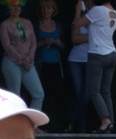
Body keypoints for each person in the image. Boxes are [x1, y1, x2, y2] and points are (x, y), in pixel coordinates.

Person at [0, 0, 45, 113]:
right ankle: (16, 125)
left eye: (18, 6)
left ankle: (33, 125)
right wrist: (21, 59)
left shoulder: (27, 22)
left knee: (38, 93)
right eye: (13, 7)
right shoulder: (5, 24)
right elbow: (7, 46)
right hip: (12, 62)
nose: (16, 9)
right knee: (15, 96)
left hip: (28, 62)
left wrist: (29, 58)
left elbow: (33, 42)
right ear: (8, 8)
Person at [78, 0, 116, 133]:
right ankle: (111, 123)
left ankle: (105, 120)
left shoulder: (97, 10)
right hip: (111, 53)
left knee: (94, 90)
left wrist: (78, 11)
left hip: (97, 54)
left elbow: (78, 24)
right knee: (106, 91)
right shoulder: (114, 12)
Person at [35, 0, 65, 131]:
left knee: (59, 94)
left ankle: (62, 125)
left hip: (56, 64)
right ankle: (43, 125)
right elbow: (31, 46)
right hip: (41, 65)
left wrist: (57, 43)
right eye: (43, 8)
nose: (46, 11)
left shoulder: (58, 26)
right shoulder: (36, 26)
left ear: (53, 10)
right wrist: (43, 43)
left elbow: (64, 47)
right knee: (43, 94)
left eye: (48, 8)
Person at [67, 0, 92, 133]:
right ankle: (82, 127)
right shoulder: (79, 16)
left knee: (86, 95)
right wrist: (78, 11)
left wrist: (83, 37)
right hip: (75, 59)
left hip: (91, 59)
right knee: (78, 93)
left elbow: (97, 36)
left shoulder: (96, 14)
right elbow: (74, 38)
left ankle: (71, 120)